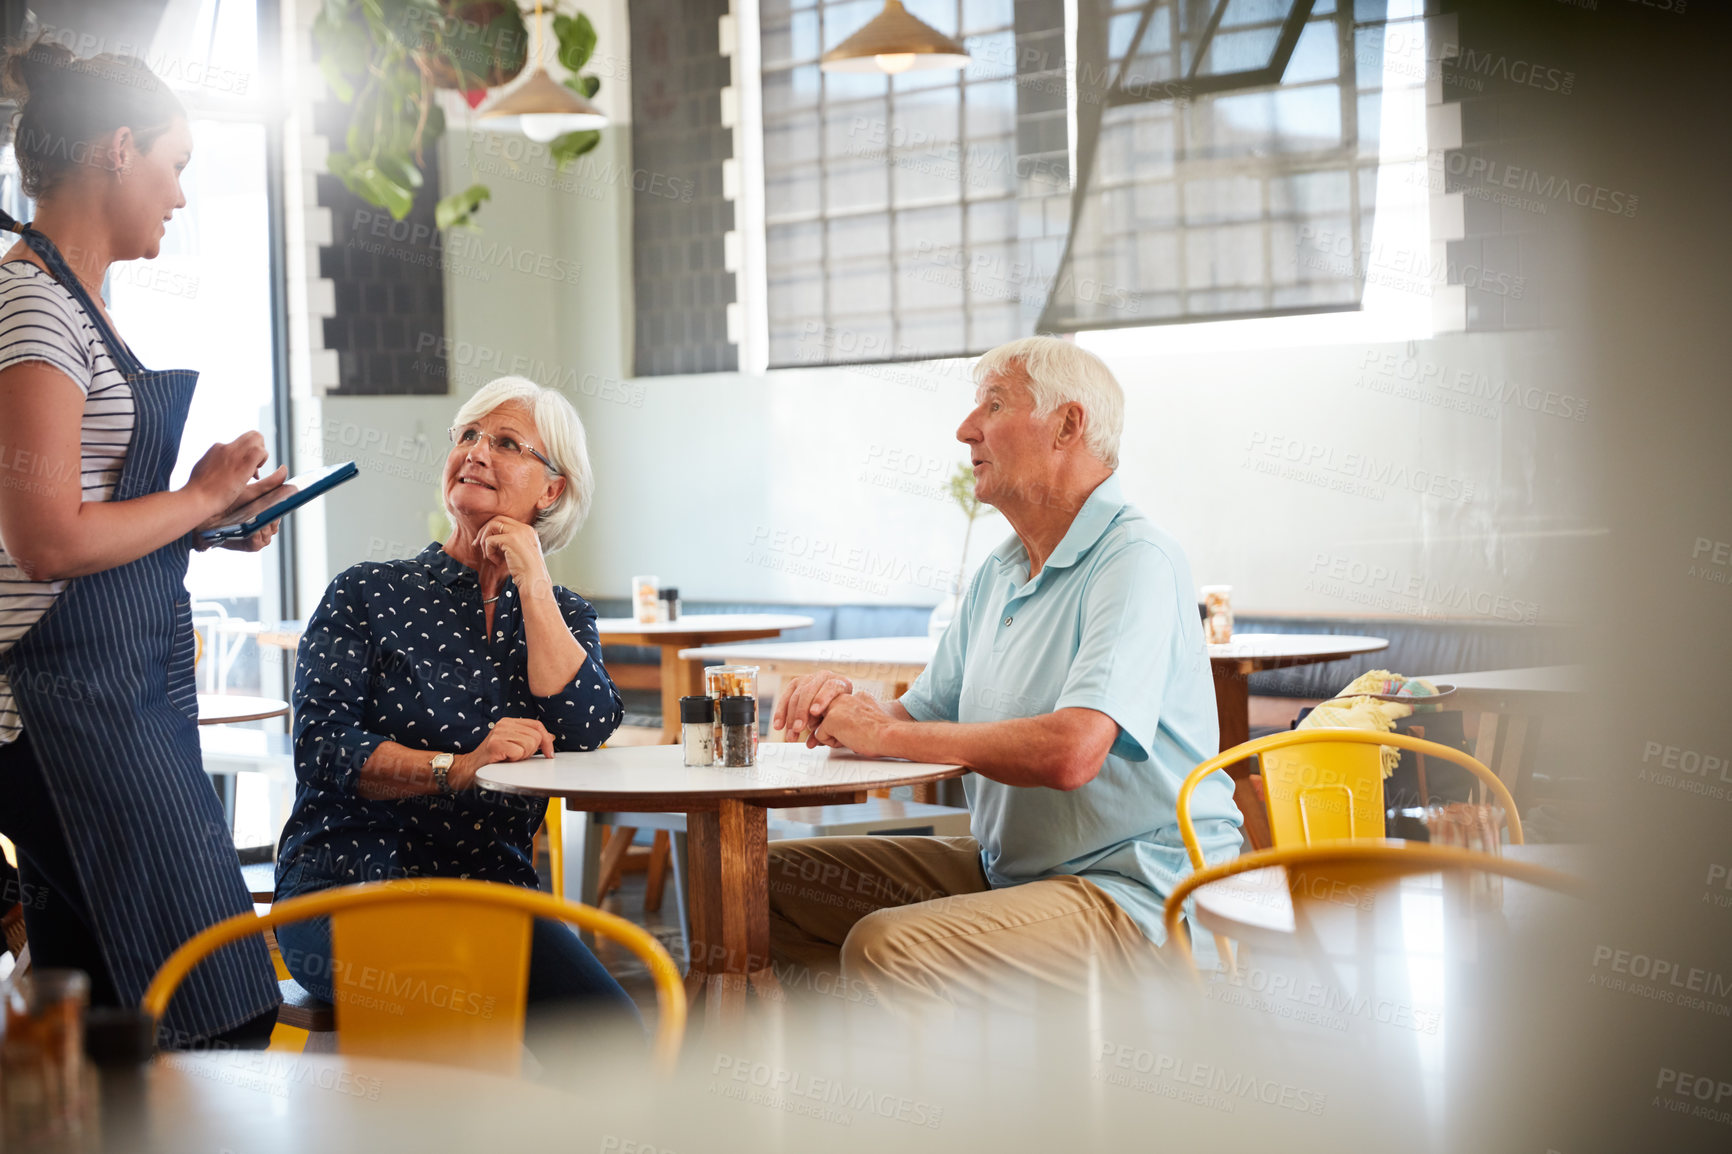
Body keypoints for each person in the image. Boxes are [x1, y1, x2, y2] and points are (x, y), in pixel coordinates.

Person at [766, 336, 1243, 1013]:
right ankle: (925, 1071)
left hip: (1137, 893)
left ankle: (948, 1097)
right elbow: (914, 719)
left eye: (993, 405)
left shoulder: (1135, 560)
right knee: (764, 886)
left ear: (1068, 426)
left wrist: (883, 734)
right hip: (1007, 876)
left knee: (888, 948)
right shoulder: (1000, 572)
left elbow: (1073, 751)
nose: (966, 430)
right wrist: (840, 705)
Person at [0, 41, 286, 1047]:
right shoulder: (33, 302)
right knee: (194, 994)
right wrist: (197, 490)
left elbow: (78, 519)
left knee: (105, 1001)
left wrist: (202, 522)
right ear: (118, 150)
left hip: (93, 698)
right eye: (174, 166)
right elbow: (43, 539)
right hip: (50, 709)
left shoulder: (74, 302)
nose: (177, 197)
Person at [273, 376, 638, 1026]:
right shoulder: (365, 594)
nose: (476, 451)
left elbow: (584, 727)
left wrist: (533, 579)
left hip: (492, 895)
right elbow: (320, 750)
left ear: (551, 488)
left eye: (505, 442)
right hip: (351, 884)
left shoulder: (562, 614)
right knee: (452, 1009)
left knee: (613, 1037)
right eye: (466, 435)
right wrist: (456, 766)